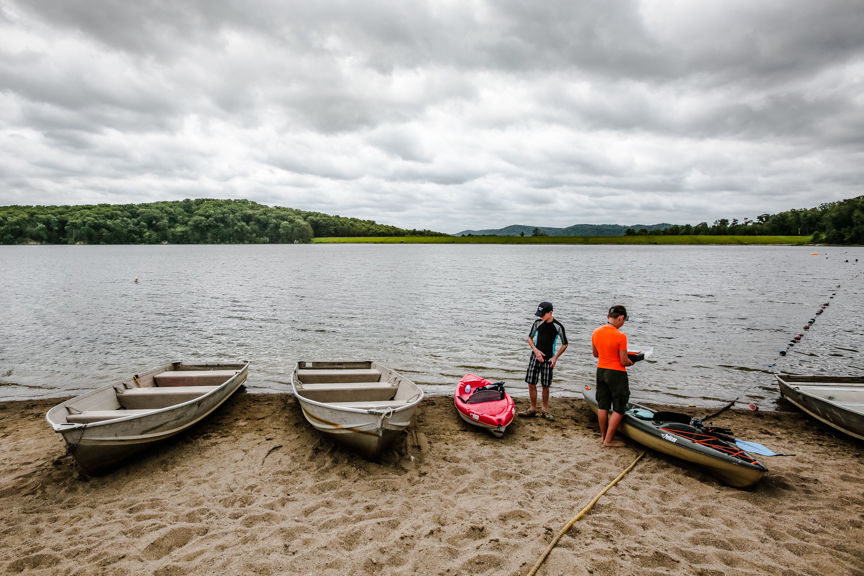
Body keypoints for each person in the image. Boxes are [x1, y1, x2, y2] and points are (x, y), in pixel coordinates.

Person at [591, 305, 635, 447]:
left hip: (601, 371)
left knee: (602, 405)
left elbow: (596, 354)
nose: (623, 323)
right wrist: (633, 361)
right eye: (624, 320)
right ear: (621, 318)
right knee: (619, 407)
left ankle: (603, 437)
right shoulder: (620, 336)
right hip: (616, 373)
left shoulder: (596, 332)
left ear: (608, 316)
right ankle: (609, 440)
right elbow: (623, 361)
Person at [520, 301, 568, 421]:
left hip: (548, 359)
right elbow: (529, 338)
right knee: (531, 383)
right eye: (539, 314)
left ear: (550, 313)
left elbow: (565, 344)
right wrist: (535, 351)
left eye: (542, 314)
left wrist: (555, 357)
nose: (540, 316)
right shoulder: (537, 323)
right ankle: (532, 409)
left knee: (545, 385)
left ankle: (544, 410)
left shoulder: (558, 326)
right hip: (535, 357)